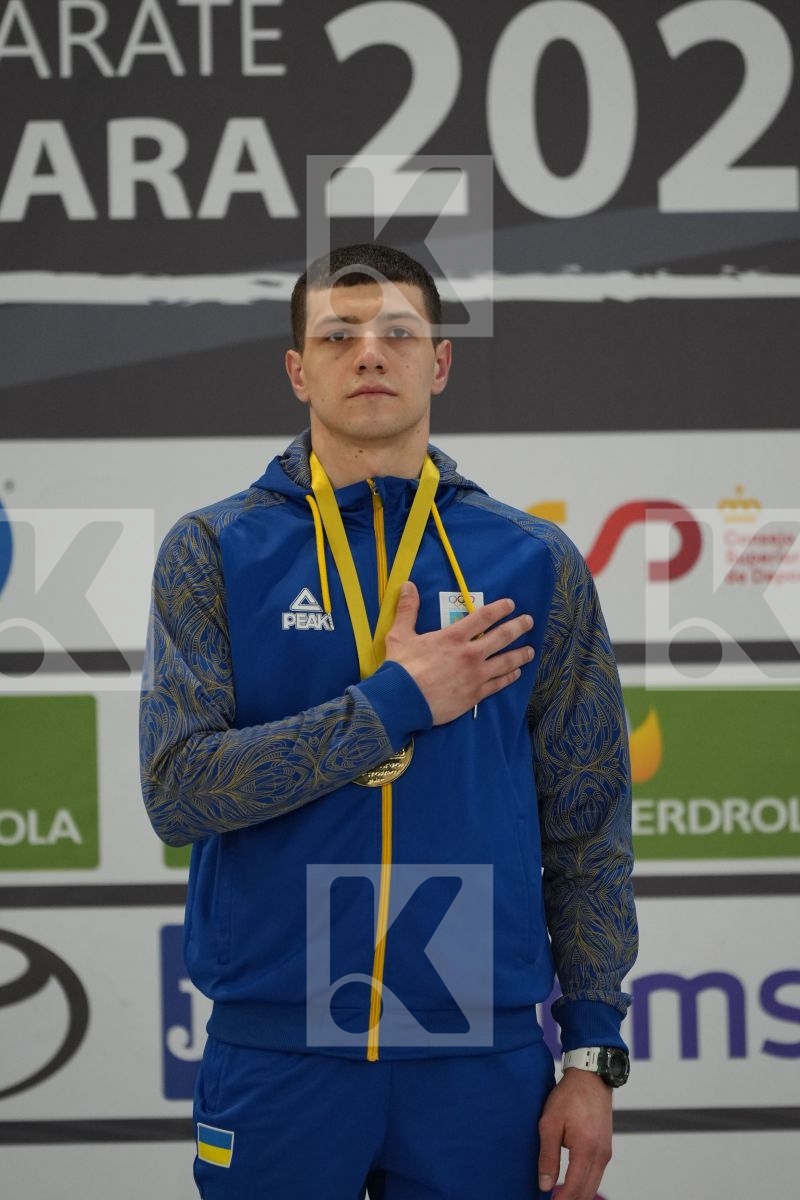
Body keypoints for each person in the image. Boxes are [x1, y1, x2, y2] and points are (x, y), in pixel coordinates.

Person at [140, 243, 638, 1200]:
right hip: (280, 1049)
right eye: (338, 337)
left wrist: (591, 1051)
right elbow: (178, 791)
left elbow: (588, 824)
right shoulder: (213, 549)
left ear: (439, 362)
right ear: (299, 370)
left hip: (477, 1052)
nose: (369, 353)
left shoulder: (534, 559)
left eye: (398, 334)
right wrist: (394, 703)